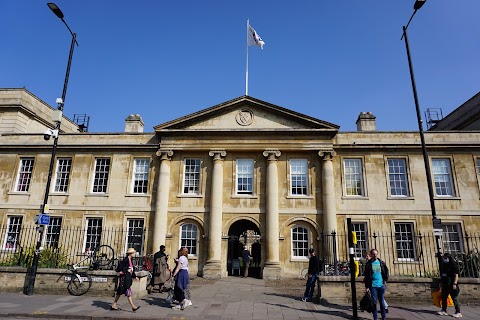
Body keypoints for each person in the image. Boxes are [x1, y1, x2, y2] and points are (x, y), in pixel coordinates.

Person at [111, 247, 141, 312]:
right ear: (130, 254)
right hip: (124, 278)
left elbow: (132, 270)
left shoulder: (130, 260)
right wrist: (127, 270)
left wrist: (135, 277)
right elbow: (121, 268)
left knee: (122, 292)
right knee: (126, 292)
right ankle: (133, 306)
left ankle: (114, 304)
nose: (134, 254)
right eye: (133, 253)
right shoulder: (126, 260)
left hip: (127, 278)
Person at [364, 249, 389, 320]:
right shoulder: (368, 264)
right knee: (374, 303)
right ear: (371, 255)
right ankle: (375, 318)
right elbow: (366, 276)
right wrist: (367, 287)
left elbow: (386, 272)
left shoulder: (381, 263)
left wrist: (385, 281)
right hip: (373, 286)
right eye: (373, 254)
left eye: (376, 254)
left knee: (382, 302)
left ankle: (384, 317)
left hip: (381, 285)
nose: (375, 255)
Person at [437, 252, 462, 318]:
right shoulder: (444, 266)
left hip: (452, 284)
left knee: (454, 298)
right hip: (445, 284)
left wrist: (455, 284)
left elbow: (456, 275)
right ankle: (444, 310)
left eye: (446, 258)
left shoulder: (453, 266)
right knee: (444, 297)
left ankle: (458, 312)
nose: (445, 259)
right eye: (444, 258)